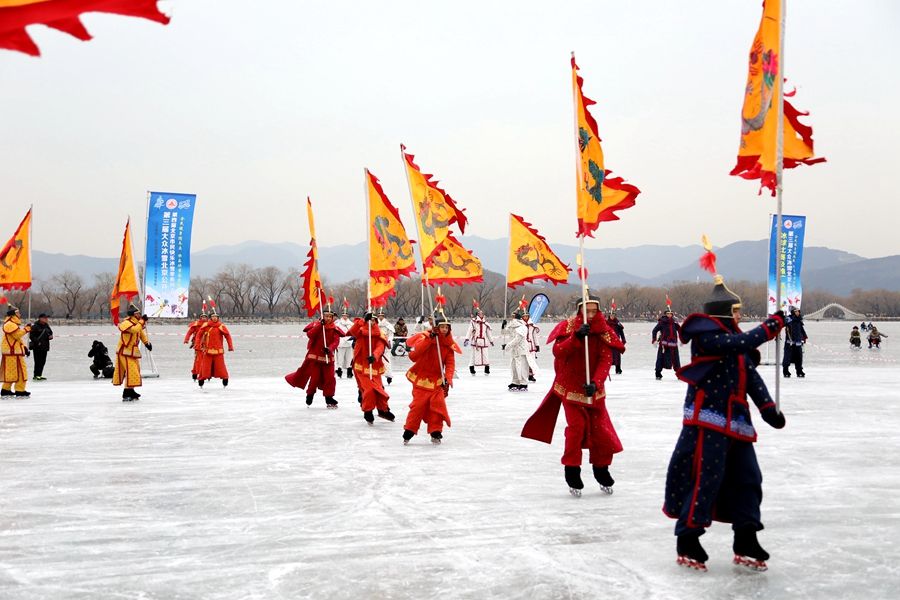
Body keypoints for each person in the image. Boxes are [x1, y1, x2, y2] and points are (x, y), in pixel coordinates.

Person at [662, 273, 786, 572]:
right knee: (706, 478)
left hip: (738, 423)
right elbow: (740, 342)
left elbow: (751, 378)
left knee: (749, 479)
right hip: (708, 421)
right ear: (724, 313)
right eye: (736, 311)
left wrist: (768, 409)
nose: (740, 316)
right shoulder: (707, 337)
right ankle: (688, 537)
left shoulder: (736, 344)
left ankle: (746, 537)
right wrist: (770, 326)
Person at [522, 297, 625, 497]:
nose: (591, 314)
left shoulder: (604, 331)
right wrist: (576, 337)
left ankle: (601, 469)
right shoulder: (568, 327)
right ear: (580, 311)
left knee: (601, 433)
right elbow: (558, 352)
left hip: (594, 392)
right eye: (587, 310)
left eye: (594, 310)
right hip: (570, 389)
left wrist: (596, 383)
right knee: (576, 428)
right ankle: (572, 470)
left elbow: (606, 359)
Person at [402, 311, 459, 445]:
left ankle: (436, 431)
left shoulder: (448, 345)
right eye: (442, 327)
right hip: (421, 380)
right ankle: (409, 431)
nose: (444, 329)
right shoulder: (426, 337)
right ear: (436, 327)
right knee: (418, 406)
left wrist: (448, 378)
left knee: (438, 406)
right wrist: (429, 339)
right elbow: (414, 356)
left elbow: (450, 364)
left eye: (446, 327)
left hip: (437, 382)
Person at [285, 306, 344, 408]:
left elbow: (336, 341)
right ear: (322, 316)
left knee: (330, 378)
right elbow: (310, 334)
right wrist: (320, 326)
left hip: (328, 358)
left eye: (330, 316)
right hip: (315, 358)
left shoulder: (335, 329)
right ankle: (310, 394)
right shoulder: (316, 325)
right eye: (326, 316)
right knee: (314, 378)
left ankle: (329, 398)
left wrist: (329, 348)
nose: (328, 318)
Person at [346, 311, 395, 425]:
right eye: (369, 320)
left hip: (374, 366)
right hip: (360, 367)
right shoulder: (360, 331)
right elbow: (352, 332)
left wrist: (374, 356)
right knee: (369, 390)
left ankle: (383, 410)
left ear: (376, 322)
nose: (371, 322)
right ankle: (368, 411)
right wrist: (363, 320)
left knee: (379, 389)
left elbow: (380, 347)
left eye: (373, 320)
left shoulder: (380, 333)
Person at [112, 305, 152, 401]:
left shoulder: (137, 323)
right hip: (124, 352)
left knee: (135, 371)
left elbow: (140, 333)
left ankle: (131, 390)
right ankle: (126, 393)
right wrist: (142, 321)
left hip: (132, 352)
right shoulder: (126, 323)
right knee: (131, 371)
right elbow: (134, 330)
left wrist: (146, 343)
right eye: (138, 313)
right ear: (133, 314)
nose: (139, 315)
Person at [197, 308, 234, 387]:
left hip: (218, 351)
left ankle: (225, 379)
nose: (214, 318)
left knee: (221, 367)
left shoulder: (221, 326)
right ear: (210, 318)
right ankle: (201, 380)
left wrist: (230, 346)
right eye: (213, 316)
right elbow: (199, 335)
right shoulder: (206, 325)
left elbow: (228, 336)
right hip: (207, 351)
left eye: (216, 316)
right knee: (205, 367)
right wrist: (197, 345)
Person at [2, 303, 31, 397]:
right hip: (12, 352)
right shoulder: (10, 324)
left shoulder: (11, 324)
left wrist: (24, 348)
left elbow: (17, 339)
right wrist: (27, 329)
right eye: (18, 313)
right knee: (21, 371)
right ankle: (19, 390)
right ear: (13, 315)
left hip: (14, 352)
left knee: (12, 372)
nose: (20, 315)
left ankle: (6, 389)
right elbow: (17, 335)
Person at [652, 308, 681, 380]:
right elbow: (654, 331)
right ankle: (658, 373)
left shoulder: (674, 322)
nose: (669, 315)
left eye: (670, 314)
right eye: (668, 314)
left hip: (673, 344)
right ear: (665, 314)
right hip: (664, 345)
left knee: (676, 360)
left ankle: (679, 374)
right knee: (660, 359)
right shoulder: (662, 322)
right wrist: (654, 340)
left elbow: (681, 330)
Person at [505, 309, 530, 391]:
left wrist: (508, 345)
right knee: (514, 366)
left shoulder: (522, 327)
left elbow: (518, 339)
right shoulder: (511, 326)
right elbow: (504, 333)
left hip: (521, 349)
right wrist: (503, 326)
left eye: (513, 316)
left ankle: (523, 383)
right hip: (514, 350)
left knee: (522, 367)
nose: (511, 318)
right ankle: (515, 382)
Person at [465, 309, 493, 375]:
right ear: (477, 314)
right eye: (480, 313)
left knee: (486, 355)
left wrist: (491, 340)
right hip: (475, 341)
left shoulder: (485, 323)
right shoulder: (473, 322)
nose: (481, 314)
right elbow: (469, 330)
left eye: (482, 313)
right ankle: (472, 369)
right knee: (473, 356)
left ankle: (487, 370)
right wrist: (467, 339)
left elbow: (488, 333)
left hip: (484, 341)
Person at [782, 306, 808, 378]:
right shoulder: (788, 319)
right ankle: (785, 371)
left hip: (798, 342)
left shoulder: (799, 320)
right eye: (796, 311)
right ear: (793, 312)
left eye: (798, 311)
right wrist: (784, 319)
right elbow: (781, 325)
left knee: (799, 358)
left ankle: (799, 371)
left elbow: (801, 329)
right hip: (789, 343)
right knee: (787, 358)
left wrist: (804, 336)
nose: (797, 312)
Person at [183, 308, 208, 380]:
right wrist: (186, 339)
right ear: (200, 318)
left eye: (205, 317)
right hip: (198, 344)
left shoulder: (209, 324)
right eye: (202, 317)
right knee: (198, 359)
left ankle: (206, 373)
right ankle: (196, 372)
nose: (204, 318)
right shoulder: (196, 324)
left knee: (206, 359)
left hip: (207, 344)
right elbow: (189, 332)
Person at [28, 313, 53, 381]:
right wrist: (37, 342)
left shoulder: (46, 325)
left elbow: (50, 332)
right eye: (45, 318)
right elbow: (31, 336)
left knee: (43, 361)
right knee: (37, 361)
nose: (46, 319)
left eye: (47, 318)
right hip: (37, 347)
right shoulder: (35, 326)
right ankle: (36, 375)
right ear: (40, 318)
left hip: (45, 346)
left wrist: (50, 336)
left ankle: (39, 375)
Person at [377, 308, 396, 384]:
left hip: (385, 343)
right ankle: (376, 375)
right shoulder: (375, 324)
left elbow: (391, 335)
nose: (380, 317)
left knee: (386, 360)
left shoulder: (388, 325)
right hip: (376, 344)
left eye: (382, 315)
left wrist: (389, 341)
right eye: (379, 315)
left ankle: (388, 375)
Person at [335, 309, 355, 379]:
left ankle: (349, 372)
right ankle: (339, 371)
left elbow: (354, 332)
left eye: (346, 315)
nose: (345, 316)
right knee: (340, 358)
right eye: (344, 315)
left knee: (349, 358)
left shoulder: (351, 324)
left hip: (349, 342)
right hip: (341, 342)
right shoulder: (337, 324)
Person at [607, 309, 626, 375]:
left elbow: (621, 333)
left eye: (613, 315)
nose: (612, 316)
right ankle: (606, 369)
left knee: (617, 356)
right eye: (611, 315)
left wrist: (623, 340)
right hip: (609, 342)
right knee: (608, 356)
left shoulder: (617, 323)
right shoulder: (606, 323)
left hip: (616, 342)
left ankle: (618, 369)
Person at [524, 313, 540, 382]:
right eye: (524, 316)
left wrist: (537, 345)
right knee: (524, 361)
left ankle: (531, 375)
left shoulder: (532, 326)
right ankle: (524, 375)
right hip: (523, 345)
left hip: (532, 346)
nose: (525, 317)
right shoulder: (520, 325)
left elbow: (534, 336)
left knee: (532, 361)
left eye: (526, 316)